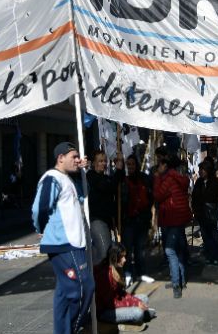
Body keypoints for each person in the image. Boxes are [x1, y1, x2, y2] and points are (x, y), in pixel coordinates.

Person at [32, 142, 94, 334]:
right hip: (64, 244)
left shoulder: (68, 179)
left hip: (73, 244)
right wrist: (41, 228)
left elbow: (84, 194)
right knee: (83, 288)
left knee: (63, 294)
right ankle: (72, 329)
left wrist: (84, 171)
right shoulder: (52, 178)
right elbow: (40, 208)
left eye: (78, 157)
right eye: (73, 156)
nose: (77, 160)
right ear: (60, 158)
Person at [153, 155, 192, 298]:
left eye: (159, 165)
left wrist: (157, 178)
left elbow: (158, 195)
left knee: (170, 251)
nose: (158, 167)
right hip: (178, 218)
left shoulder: (168, 179)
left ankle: (176, 284)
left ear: (165, 165)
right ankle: (180, 280)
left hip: (172, 218)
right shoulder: (177, 177)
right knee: (178, 250)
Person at [94, 243, 156, 327]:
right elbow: (111, 304)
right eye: (122, 257)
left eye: (125, 256)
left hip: (116, 303)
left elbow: (122, 293)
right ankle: (143, 314)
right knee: (138, 312)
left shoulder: (115, 269)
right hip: (106, 311)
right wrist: (134, 304)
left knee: (144, 298)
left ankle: (143, 313)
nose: (125, 260)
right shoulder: (104, 274)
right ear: (115, 258)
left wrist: (137, 302)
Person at [121, 154, 154, 284]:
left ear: (137, 165)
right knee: (127, 249)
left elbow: (150, 198)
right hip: (128, 221)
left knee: (140, 249)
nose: (130, 166)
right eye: (128, 164)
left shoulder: (145, 179)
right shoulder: (123, 180)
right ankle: (128, 272)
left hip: (142, 220)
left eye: (132, 164)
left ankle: (141, 273)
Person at [87, 150, 122, 265]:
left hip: (107, 220)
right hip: (97, 219)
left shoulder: (106, 177)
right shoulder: (91, 176)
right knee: (104, 252)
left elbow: (117, 182)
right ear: (93, 163)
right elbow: (107, 187)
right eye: (100, 161)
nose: (103, 163)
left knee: (106, 251)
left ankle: (102, 278)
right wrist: (118, 170)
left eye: (105, 161)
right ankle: (100, 278)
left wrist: (120, 166)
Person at [191, 160, 218, 265]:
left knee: (214, 235)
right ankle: (210, 255)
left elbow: (216, 197)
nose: (201, 171)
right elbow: (195, 196)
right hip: (201, 213)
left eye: (203, 169)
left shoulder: (216, 182)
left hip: (212, 213)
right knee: (205, 236)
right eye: (200, 169)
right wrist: (195, 209)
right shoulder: (199, 182)